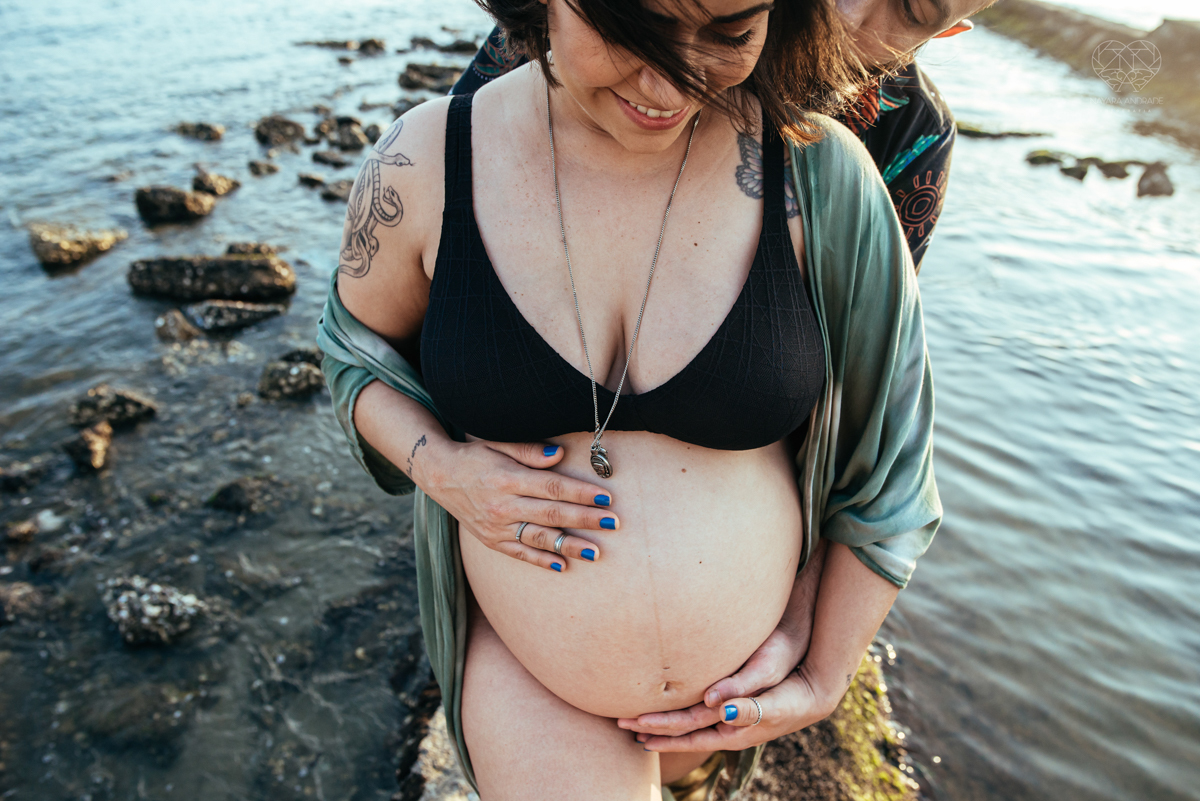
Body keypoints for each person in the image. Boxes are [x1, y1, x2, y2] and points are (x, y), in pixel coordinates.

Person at [315, 0, 958, 797]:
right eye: (633, 31)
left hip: (733, 696)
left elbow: (895, 455)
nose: (669, 83)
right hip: (535, 682)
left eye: (728, 34)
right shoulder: (425, 159)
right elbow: (353, 350)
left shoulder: (822, 176)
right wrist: (441, 467)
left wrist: (825, 672)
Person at [451, 0, 987, 270]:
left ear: (948, 32)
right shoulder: (595, 19)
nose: (846, 12)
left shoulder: (913, 137)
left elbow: (866, 365)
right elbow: (445, 180)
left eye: (912, 10)